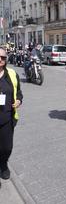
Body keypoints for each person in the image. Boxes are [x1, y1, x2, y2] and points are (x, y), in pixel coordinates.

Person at [0, 47, 23, 188]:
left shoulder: (12, 74)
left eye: (3, 57)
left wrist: (19, 100)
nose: (0, 60)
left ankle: (3, 164)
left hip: (7, 117)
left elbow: (19, 92)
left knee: (7, 147)